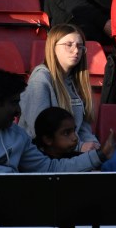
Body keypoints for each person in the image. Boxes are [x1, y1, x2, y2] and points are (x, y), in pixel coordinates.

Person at [0, 68, 116, 173]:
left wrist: (98, 156)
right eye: (13, 103)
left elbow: (50, 169)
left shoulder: (17, 134)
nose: (18, 111)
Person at [18, 24, 100, 152]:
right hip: (42, 154)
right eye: (69, 45)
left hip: (69, 152)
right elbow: (39, 130)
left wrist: (93, 146)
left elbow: (83, 127)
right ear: (53, 47)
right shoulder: (40, 78)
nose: (76, 50)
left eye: (80, 46)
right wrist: (79, 147)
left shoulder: (77, 81)